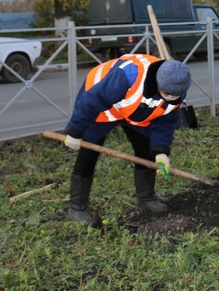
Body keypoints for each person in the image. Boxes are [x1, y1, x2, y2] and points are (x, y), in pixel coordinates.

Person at [61, 55, 192, 224]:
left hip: (135, 110)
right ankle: (77, 207)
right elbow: (92, 101)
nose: (170, 97)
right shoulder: (128, 76)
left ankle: (146, 198)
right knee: (89, 152)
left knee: (146, 149)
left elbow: (164, 122)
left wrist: (161, 151)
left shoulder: (177, 89)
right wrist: (75, 131)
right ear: (158, 82)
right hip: (101, 106)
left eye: (174, 95)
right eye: (166, 93)